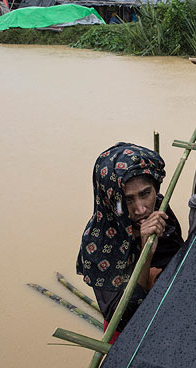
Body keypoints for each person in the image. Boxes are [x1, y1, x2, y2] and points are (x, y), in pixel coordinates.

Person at [76, 143, 183, 337]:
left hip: (172, 316)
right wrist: (146, 254)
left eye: (145, 193)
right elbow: (126, 317)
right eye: (127, 200)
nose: (141, 209)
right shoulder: (99, 245)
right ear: (110, 200)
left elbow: (180, 259)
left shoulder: (160, 210)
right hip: (132, 336)